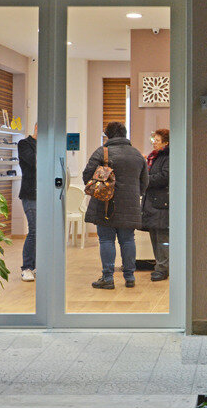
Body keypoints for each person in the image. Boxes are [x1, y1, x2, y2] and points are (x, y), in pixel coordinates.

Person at [82, 121, 148, 290]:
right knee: (128, 240)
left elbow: (87, 176)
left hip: (105, 204)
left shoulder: (102, 152)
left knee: (106, 239)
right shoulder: (137, 154)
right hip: (130, 204)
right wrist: (134, 195)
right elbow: (144, 182)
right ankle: (130, 276)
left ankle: (108, 277)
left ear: (108, 135)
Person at [141, 128, 170, 282]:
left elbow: (165, 177)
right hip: (153, 203)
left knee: (162, 238)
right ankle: (160, 267)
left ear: (166, 143)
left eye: (157, 141)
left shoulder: (168, 157)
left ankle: (162, 269)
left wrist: (146, 179)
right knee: (155, 236)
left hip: (161, 204)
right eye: (154, 140)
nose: (154, 143)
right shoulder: (155, 157)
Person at [17, 123, 37, 282]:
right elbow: (33, 161)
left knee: (41, 232)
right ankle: (27, 267)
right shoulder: (24, 144)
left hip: (45, 194)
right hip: (30, 194)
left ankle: (35, 265)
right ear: (37, 128)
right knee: (34, 230)